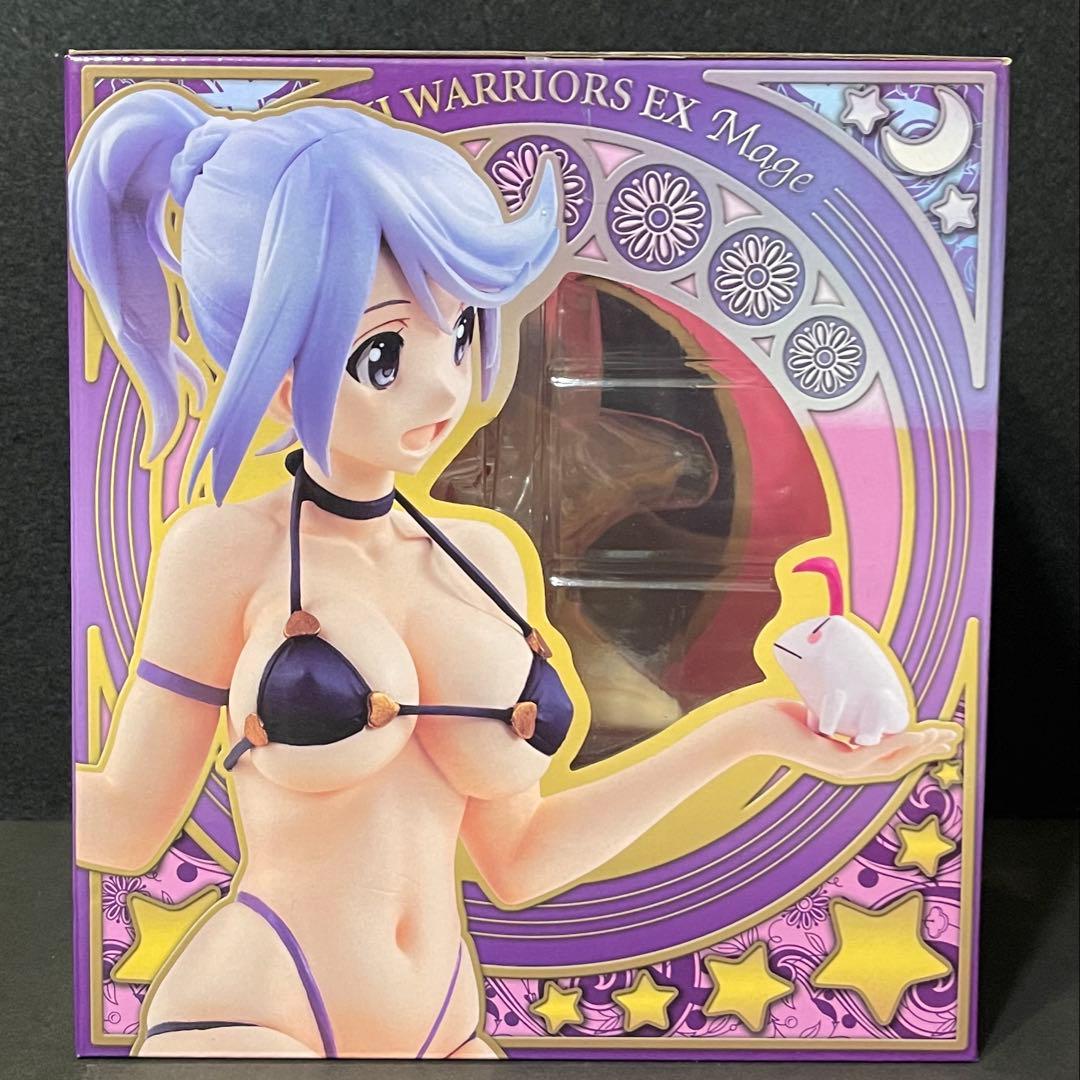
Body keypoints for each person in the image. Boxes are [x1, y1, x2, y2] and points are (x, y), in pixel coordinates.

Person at [69, 86, 959, 1058]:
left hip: (450, 1023)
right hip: (256, 1009)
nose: (445, 385)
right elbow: (125, 826)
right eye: (381, 354)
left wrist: (754, 733)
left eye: (459, 331)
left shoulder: (482, 561)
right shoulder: (226, 552)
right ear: (274, 369)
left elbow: (520, 859)